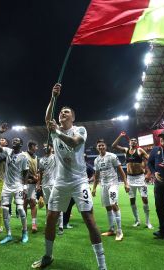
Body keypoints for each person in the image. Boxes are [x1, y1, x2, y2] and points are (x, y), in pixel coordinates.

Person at [32, 83, 106, 270]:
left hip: (79, 181)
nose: (62, 114)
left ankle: (102, 265)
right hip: (60, 182)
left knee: (89, 219)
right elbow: (47, 117)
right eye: (61, 112)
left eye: (66, 112)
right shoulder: (54, 129)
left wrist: (56, 131)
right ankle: (48, 256)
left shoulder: (79, 130)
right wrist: (53, 97)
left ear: (73, 117)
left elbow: (74, 144)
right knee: (50, 218)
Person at [0, 124, 30, 244]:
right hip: (6, 186)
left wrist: (25, 186)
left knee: (21, 209)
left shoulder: (23, 157)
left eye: (17, 140)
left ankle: (24, 232)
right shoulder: (7, 151)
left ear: (21, 144)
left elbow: (26, 172)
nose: (14, 141)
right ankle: (9, 234)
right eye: (14, 140)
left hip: (17, 186)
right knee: (5, 210)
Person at [112, 133, 152, 229]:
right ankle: (137, 220)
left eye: (135, 140)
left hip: (140, 178)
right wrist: (120, 136)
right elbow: (114, 146)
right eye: (132, 140)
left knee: (144, 199)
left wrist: (148, 173)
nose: (133, 141)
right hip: (130, 178)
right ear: (129, 142)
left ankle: (147, 222)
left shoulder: (140, 150)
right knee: (132, 200)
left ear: (136, 143)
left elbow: (151, 160)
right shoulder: (126, 150)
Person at [92, 139, 128, 241]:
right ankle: (111, 229)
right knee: (108, 207)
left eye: (102, 145)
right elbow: (97, 175)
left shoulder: (112, 156)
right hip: (103, 185)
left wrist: (126, 183)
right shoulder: (96, 160)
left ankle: (119, 231)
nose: (101, 147)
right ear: (97, 147)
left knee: (113, 204)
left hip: (113, 184)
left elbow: (121, 171)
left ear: (105, 146)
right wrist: (94, 188)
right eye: (99, 146)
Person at [38, 143, 64, 235]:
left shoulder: (55, 158)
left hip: (55, 184)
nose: (46, 148)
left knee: (58, 204)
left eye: (48, 146)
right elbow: (40, 173)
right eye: (44, 146)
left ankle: (61, 226)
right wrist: (39, 184)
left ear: (52, 148)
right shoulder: (41, 160)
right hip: (45, 185)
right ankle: (49, 223)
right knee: (47, 206)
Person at [23, 140, 39, 233]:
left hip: (32, 184)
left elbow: (37, 171)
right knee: (24, 203)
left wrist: (36, 180)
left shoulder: (36, 157)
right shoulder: (24, 155)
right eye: (36, 146)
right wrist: (32, 176)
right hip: (24, 184)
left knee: (33, 203)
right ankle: (24, 224)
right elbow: (23, 169)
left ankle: (34, 224)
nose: (37, 148)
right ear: (32, 146)